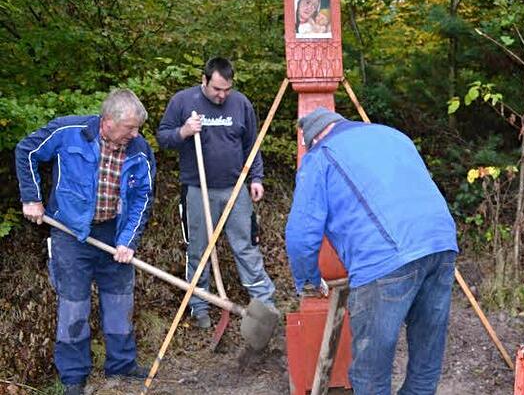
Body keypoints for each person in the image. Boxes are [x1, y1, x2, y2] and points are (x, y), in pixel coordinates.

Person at [285, 107, 459, 394]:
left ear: (312, 140)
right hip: (441, 243)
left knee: (371, 373)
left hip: (384, 258)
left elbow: (301, 234)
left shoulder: (320, 156)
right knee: (426, 360)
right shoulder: (393, 135)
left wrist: (308, 282)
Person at [15, 89, 156, 395]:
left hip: (113, 233)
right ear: (107, 121)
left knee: (120, 299)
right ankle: (73, 376)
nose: (135, 134)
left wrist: (128, 241)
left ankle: (121, 362)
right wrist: (31, 198)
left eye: (137, 128)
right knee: (74, 305)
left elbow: (142, 198)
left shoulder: (139, 149)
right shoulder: (69, 132)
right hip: (69, 232)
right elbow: (26, 150)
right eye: (130, 127)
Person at [156, 57, 276, 329]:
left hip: (235, 188)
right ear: (204, 81)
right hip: (197, 188)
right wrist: (184, 131)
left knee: (246, 245)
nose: (222, 95)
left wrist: (256, 177)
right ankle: (199, 307)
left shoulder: (241, 104)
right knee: (199, 249)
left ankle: (264, 304)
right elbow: (163, 138)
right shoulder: (183, 102)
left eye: (227, 89)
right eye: (216, 89)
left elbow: (252, 144)